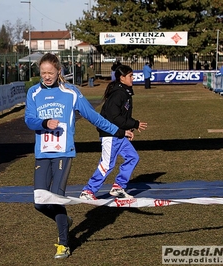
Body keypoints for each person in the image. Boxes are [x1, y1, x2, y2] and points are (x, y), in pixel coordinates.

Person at [24, 53, 133, 259]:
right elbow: (29, 119)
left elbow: (94, 117)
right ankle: (64, 220)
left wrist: (118, 131)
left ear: (59, 72)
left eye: (50, 72)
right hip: (42, 152)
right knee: (39, 202)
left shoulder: (71, 92)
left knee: (55, 198)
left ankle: (63, 244)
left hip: (63, 153)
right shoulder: (34, 92)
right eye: (43, 73)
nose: (46, 77)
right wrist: (44, 122)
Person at [80, 65, 147, 200]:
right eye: (130, 76)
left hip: (119, 134)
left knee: (133, 157)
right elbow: (113, 117)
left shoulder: (125, 92)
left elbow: (121, 116)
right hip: (110, 135)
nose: (133, 78)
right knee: (107, 164)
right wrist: (135, 123)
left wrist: (126, 131)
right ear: (122, 78)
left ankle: (118, 187)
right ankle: (88, 191)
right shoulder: (118, 94)